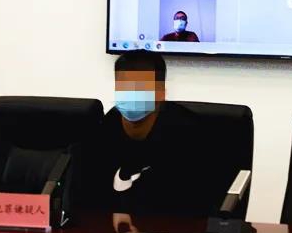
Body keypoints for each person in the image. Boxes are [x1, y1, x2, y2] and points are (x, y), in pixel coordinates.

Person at [94, 50, 227, 223]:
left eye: (140, 88)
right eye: (124, 88)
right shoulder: (108, 125)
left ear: (161, 93)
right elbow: (88, 193)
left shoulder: (188, 135)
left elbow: (188, 207)